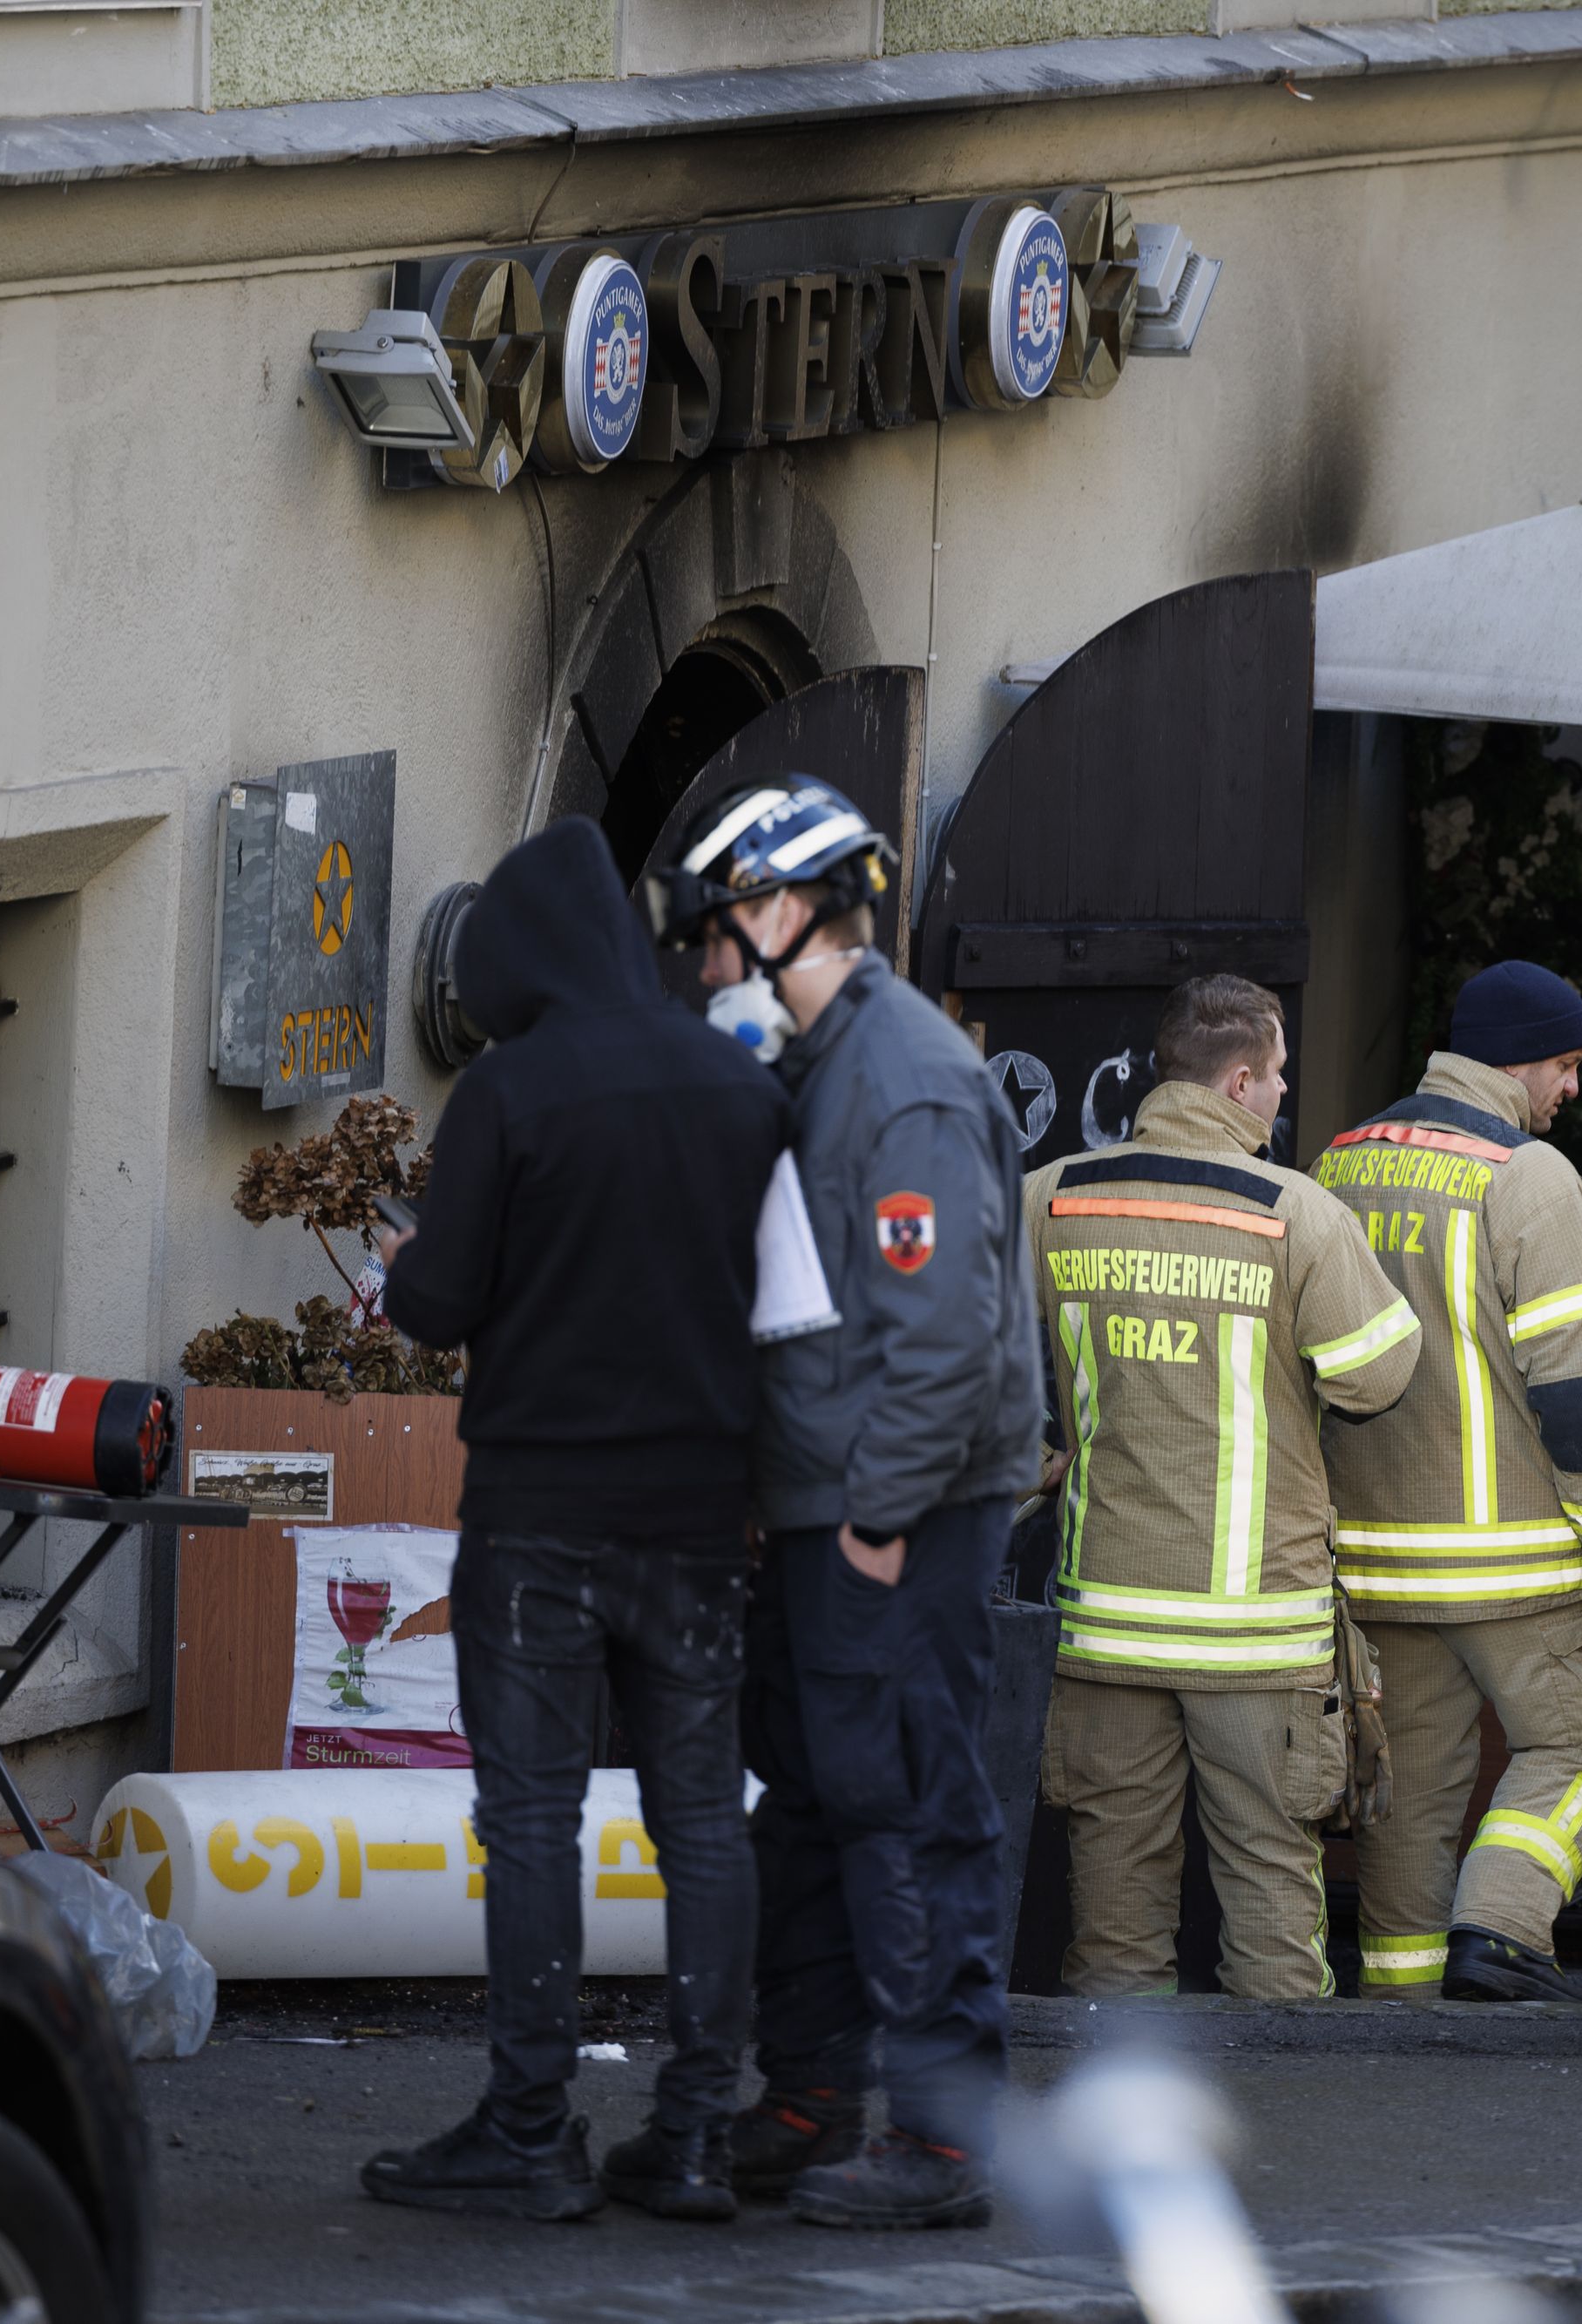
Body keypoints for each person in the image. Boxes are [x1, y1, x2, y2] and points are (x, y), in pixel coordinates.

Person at [364, 817, 788, 2223]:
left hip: (540, 1511)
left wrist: (407, 1263)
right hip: (699, 1515)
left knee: (534, 1822)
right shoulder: (738, 1084)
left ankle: (530, 2127)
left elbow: (436, 1304)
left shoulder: (512, 1089)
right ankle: (699, 2131)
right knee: (704, 1826)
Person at [643, 776, 1042, 2233]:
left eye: (711, 937)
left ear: (777, 913)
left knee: (912, 1808)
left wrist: (874, 1509)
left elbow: (942, 1335)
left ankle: (941, 2145)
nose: (702, 970)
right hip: (829, 1506)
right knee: (814, 1804)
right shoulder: (824, 1064)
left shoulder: (905, 1078)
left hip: (903, 1512)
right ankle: (811, 2099)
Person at [1024, 974, 1421, 1999]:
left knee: (1112, 1915)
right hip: (1257, 1634)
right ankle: (1281, 2133)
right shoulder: (1298, 1217)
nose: (1284, 1094)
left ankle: (1112, 2122)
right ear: (1240, 1081)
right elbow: (1377, 1375)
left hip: (1105, 1625)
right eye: (1279, 1074)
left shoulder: (1052, 1197)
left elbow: (962, 1359)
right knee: (1271, 1907)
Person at [1312, 959, 1582, 2003]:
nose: (1571, 1090)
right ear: (1518, 1058)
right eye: (1565, 1063)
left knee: (1412, 1788)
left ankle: (1404, 2004)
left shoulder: (1339, 1162)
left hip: (1375, 1559)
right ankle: (1502, 1935)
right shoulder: (1529, 1178)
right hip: (1515, 1566)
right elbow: (1577, 1387)